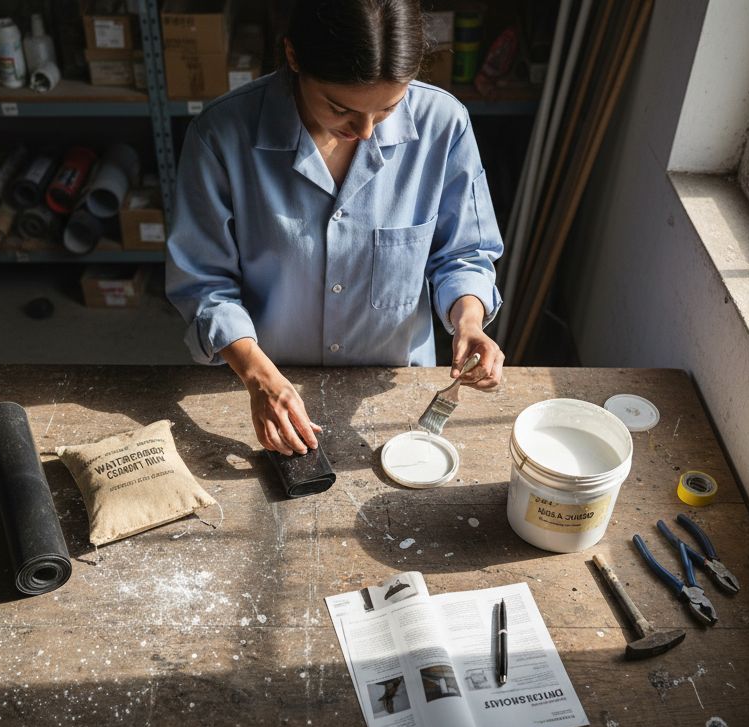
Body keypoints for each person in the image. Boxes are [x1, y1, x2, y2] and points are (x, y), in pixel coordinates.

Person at [166, 0, 505, 457]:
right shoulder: (222, 136)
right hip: (263, 381)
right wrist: (257, 375)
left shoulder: (442, 125)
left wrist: (468, 320)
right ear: (293, 58)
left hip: (394, 387)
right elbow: (204, 282)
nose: (365, 131)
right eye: (341, 108)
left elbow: (462, 252)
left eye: (388, 109)